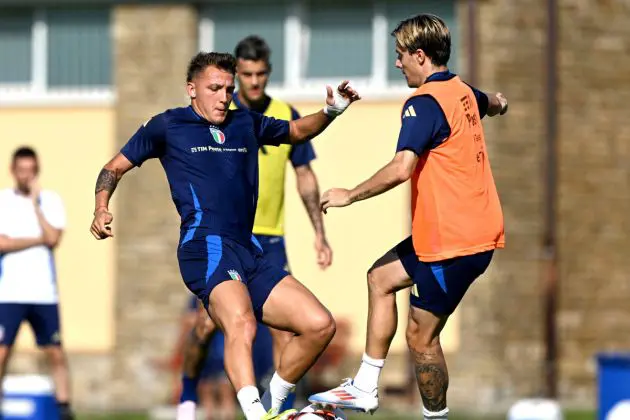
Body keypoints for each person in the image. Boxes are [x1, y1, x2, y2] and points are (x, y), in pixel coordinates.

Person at [89, 52, 360, 420]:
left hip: (249, 249)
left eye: (228, 89)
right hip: (205, 247)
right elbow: (112, 168)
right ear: (192, 89)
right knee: (240, 324)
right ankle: (253, 414)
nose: (224, 97)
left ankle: (272, 403)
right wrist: (101, 207)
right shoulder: (167, 126)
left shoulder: (244, 122)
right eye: (215, 88)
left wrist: (332, 111)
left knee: (318, 325)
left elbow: (296, 132)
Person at [308, 14, 508, 420]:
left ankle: (436, 417)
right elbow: (490, 102)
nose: (397, 64)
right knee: (380, 278)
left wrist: (350, 194)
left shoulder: (423, 104)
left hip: (451, 243)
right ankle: (364, 386)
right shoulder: (460, 90)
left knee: (421, 338)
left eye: (400, 56)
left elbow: (402, 168)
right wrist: (501, 103)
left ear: (420, 55)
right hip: (462, 233)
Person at [176, 35, 334, 418]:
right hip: (219, 239)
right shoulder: (215, 112)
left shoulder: (281, 112)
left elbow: (304, 174)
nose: (253, 83)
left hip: (268, 238)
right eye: (245, 75)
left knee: (288, 327)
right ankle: (188, 395)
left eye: (260, 74)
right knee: (206, 326)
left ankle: (280, 408)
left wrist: (319, 232)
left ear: (269, 73)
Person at [0, 147, 75, 420]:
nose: (26, 176)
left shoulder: (50, 200)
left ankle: (65, 409)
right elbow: (1, 243)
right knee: (2, 353)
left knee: (55, 353)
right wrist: (36, 239)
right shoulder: (3, 201)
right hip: (9, 292)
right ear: (13, 170)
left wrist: (35, 205)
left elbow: (53, 237)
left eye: (30, 171)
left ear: (37, 171)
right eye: (21, 170)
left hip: (44, 293)